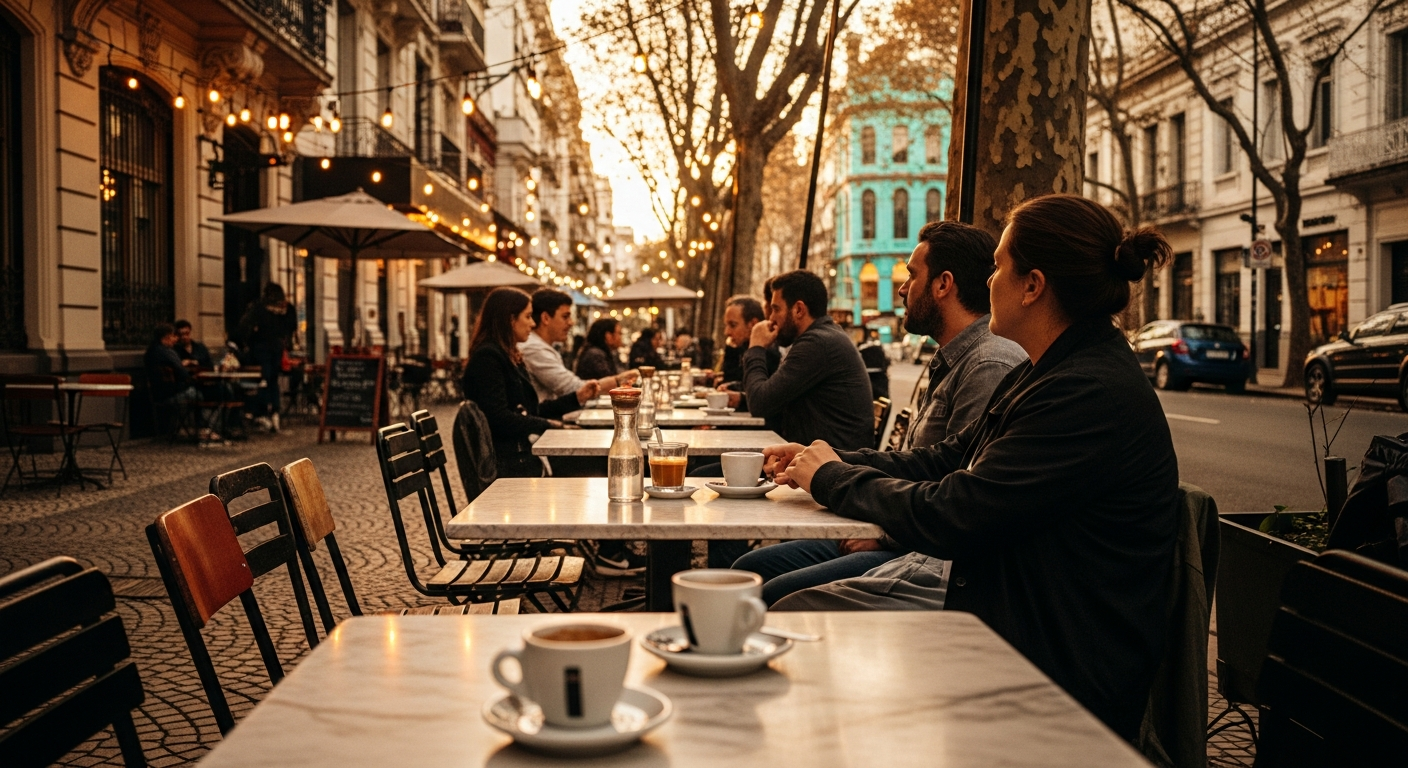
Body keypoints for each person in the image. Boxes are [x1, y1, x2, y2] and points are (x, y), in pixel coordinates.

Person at [762, 194, 1178, 741]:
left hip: (1053, 664)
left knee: (787, 620)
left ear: (1033, 285)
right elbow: (948, 458)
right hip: (1003, 614)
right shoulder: (1047, 369)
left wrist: (833, 479)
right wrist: (836, 460)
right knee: (786, 608)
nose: (988, 282)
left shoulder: (1086, 390)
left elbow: (959, 511)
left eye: (1000, 267)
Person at [732, 221, 1028, 606]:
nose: (902, 288)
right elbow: (928, 462)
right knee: (747, 571)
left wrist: (883, 531)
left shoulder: (989, 363)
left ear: (943, 284)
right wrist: (828, 460)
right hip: (899, 529)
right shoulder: (957, 358)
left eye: (911, 275)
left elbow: (961, 502)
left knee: (768, 589)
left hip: (928, 556)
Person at [462, 287, 598, 478]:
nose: (532, 323)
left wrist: (576, 398)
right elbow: (499, 418)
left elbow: (531, 410)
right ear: (510, 320)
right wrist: (550, 424)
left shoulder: (508, 355)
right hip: (507, 465)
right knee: (593, 468)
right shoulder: (488, 358)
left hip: (520, 456)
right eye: (527, 317)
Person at [742, 269, 874, 449]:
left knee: (703, 471)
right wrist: (742, 398)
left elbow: (759, 404)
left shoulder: (818, 343)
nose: (771, 318)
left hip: (833, 468)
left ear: (798, 309)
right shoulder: (823, 337)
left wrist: (756, 348)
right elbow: (779, 395)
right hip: (817, 460)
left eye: (776, 309)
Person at [519, 289, 635, 402]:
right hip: (546, 419)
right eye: (565, 316)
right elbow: (571, 388)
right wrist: (619, 380)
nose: (571, 322)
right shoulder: (534, 348)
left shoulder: (542, 346)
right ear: (545, 318)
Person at [236, 282, 296, 432]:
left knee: (263, 380)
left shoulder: (259, 308)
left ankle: (261, 413)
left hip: (260, 348)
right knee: (273, 380)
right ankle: (275, 412)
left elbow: (244, 327)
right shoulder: (287, 308)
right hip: (277, 348)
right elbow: (291, 327)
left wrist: (249, 338)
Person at [145, 323, 217, 440]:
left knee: (200, 392)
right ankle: (205, 428)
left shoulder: (151, 351)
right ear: (167, 337)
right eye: (174, 336)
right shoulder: (167, 351)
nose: (176, 339)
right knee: (203, 393)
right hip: (170, 394)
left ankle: (202, 429)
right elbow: (182, 373)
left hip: (157, 393)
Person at [716, 295, 779, 410]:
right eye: (726, 325)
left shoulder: (769, 352)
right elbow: (732, 379)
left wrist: (740, 399)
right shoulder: (741, 348)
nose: (727, 332)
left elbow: (766, 397)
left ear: (752, 324)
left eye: (733, 325)